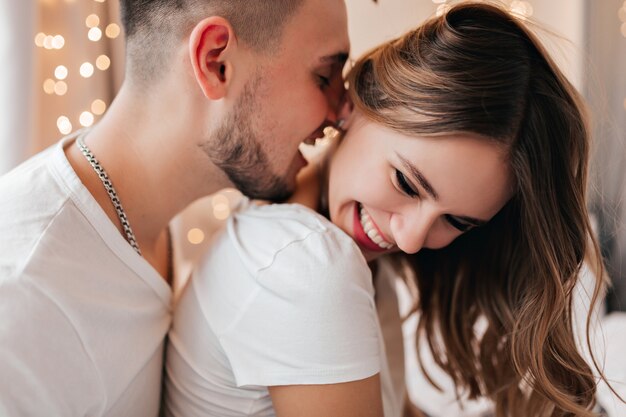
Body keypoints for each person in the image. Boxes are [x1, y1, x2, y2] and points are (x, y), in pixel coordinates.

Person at [163, 3, 615, 417]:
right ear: (354, 104)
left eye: (457, 222)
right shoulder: (307, 265)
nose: (411, 239)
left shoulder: (308, 238)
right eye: (405, 181)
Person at [0, 0, 349, 416]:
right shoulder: (22, 293)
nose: (342, 110)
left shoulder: (145, 217)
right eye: (324, 76)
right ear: (215, 62)